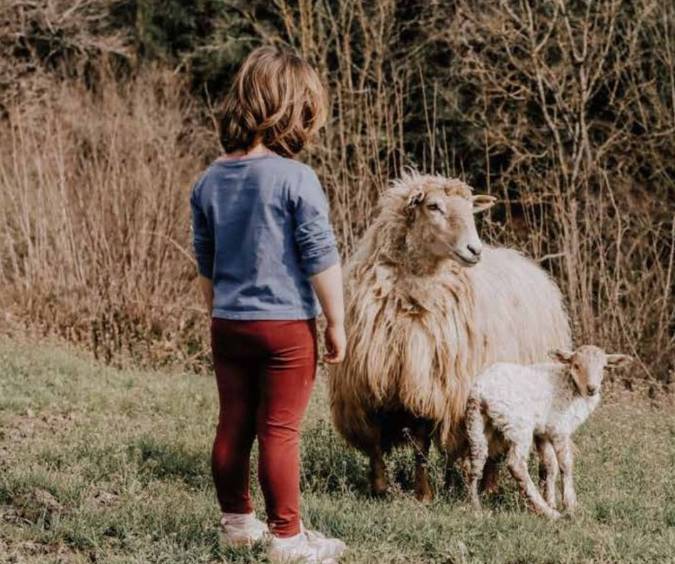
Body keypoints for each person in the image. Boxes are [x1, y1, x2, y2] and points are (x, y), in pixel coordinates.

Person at [189, 45, 347, 563]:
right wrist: (336, 323)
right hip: (285, 327)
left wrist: (219, 312)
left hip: (229, 323)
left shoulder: (209, 179)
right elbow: (320, 258)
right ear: (288, 111)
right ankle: (287, 538)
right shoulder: (296, 178)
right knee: (279, 432)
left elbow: (206, 262)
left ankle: (237, 524)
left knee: (233, 421)